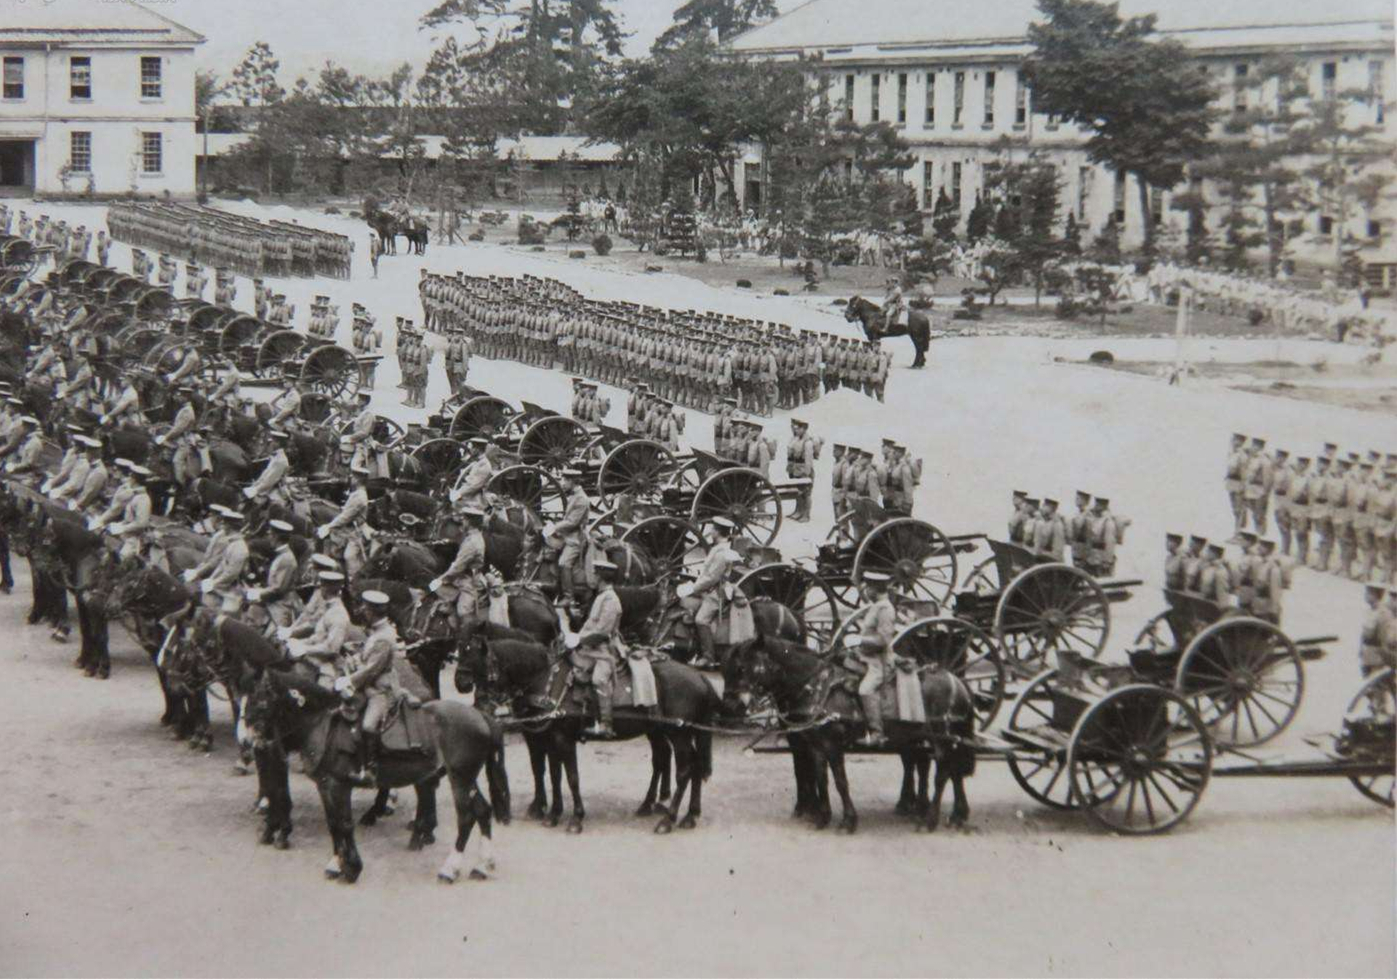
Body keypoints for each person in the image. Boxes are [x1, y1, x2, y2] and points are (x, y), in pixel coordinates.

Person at [336, 589, 402, 788]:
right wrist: (355, 656)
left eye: (365, 609)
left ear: (372, 612)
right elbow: (368, 656)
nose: (362, 611)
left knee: (368, 726)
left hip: (380, 689)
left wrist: (349, 680)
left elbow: (372, 670)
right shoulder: (376, 630)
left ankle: (372, 768)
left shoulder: (384, 637)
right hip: (369, 683)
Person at [565, 559, 625, 738]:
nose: (592, 578)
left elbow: (602, 632)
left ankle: (606, 724)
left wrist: (578, 640)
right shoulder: (601, 596)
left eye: (595, 575)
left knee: (599, 679)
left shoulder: (610, 599)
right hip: (590, 647)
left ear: (601, 578)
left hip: (603, 649)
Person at [677, 517, 739, 670]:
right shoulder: (719, 548)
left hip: (716, 593)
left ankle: (708, 657)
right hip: (708, 588)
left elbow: (711, 578)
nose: (710, 532)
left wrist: (693, 588)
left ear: (717, 532)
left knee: (701, 620)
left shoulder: (722, 554)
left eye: (712, 529)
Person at [848, 571, 899, 747]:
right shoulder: (876, 606)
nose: (865, 590)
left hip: (879, 661)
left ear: (875, 589)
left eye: (868, 586)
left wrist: (859, 640)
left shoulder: (885, 609)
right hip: (866, 656)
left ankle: (878, 733)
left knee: (866, 689)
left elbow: (883, 640)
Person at [283, 570, 352, 689]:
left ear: (326, 588)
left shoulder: (338, 615)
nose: (320, 589)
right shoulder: (328, 608)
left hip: (326, 666)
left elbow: (331, 649)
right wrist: (299, 643)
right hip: (313, 659)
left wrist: (304, 649)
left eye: (322, 586)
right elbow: (317, 635)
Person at [430, 506, 488, 628]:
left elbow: (457, 567)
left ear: (470, 522)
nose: (462, 522)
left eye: (465, 520)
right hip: (463, 577)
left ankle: (463, 637)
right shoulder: (471, 537)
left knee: (463, 611)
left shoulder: (472, 542)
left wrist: (440, 579)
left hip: (470, 582)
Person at [247, 520, 303, 636]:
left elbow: (278, 588)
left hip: (280, 607)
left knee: (273, 638)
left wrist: (258, 593)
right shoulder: (281, 555)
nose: (268, 537)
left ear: (275, 537)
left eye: (270, 534)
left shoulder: (286, 558)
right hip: (272, 603)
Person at [544, 468, 590, 608]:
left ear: (572, 481)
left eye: (564, 480)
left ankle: (569, 596)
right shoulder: (574, 496)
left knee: (564, 563)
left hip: (575, 539)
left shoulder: (581, 499)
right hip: (568, 534)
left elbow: (572, 522)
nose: (562, 483)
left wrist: (555, 527)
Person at [317, 466, 370, 579]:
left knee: (349, 556)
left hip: (356, 532)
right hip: (349, 529)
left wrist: (329, 526)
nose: (351, 479)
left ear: (358, 480)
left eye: (353, 477)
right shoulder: (356, 493)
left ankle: (354, 579)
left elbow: (346, 517)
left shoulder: (359, 496)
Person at [196, 509, 250, 613]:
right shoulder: (232, 544)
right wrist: (211, 580)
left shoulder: (239, 548)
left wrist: (213, 583)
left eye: (224, 524)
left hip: (227, 594)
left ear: (229, 526)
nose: (223, 526)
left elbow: (231, 574)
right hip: (217, 588)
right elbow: (221, 566)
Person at [1224, 432, 1249, 536]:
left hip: (1238, 483)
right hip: (1230, 483)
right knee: (1234, 509)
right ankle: (1239, 528)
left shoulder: (1242, 455)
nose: (1236, 442)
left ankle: (1238, 532)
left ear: (1242, 443)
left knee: (1238, 509)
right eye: (1234, 440)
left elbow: (1243, 472)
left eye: (1239, 441)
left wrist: (1243, 486)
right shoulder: (1231, 453)